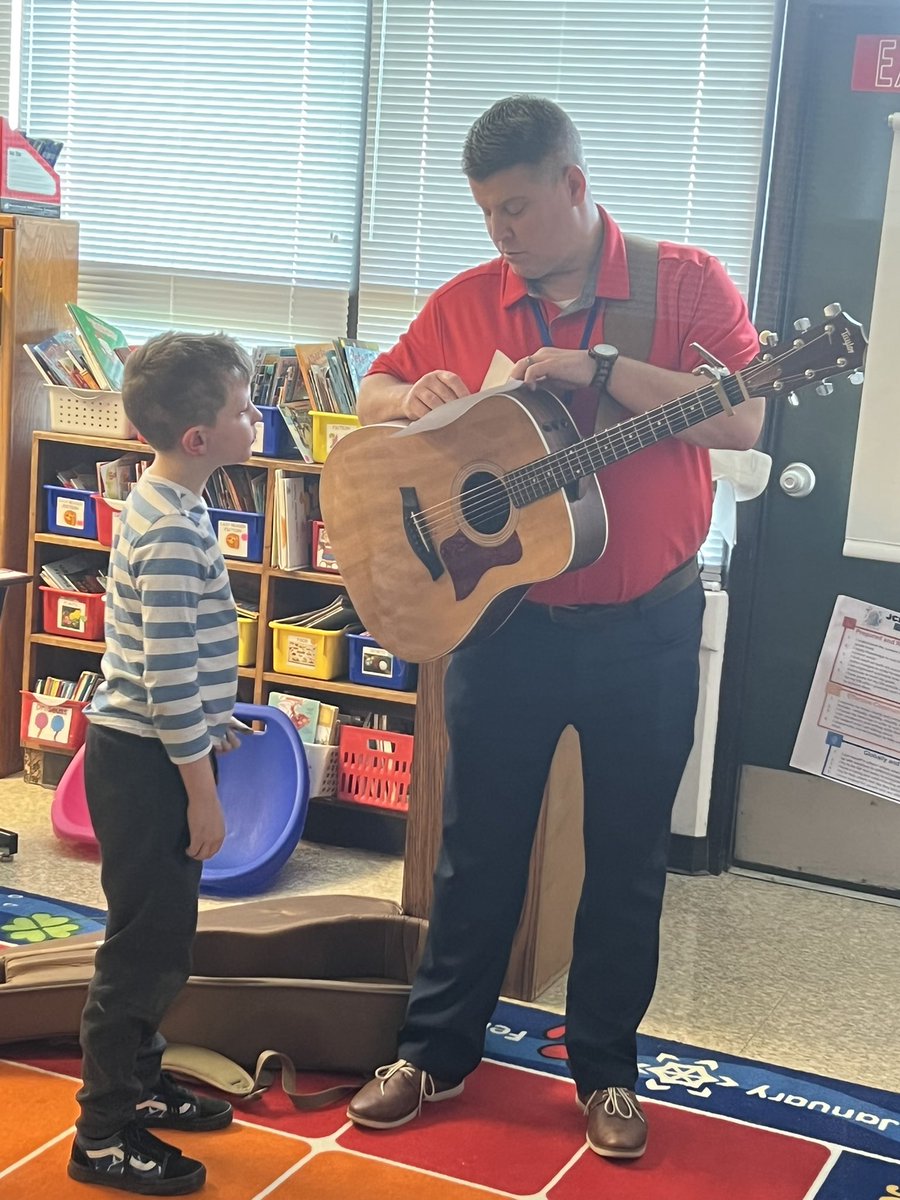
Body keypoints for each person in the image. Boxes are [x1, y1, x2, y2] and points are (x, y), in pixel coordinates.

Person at [347, 95, 764, 1159]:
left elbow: (744, 413)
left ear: (575, 188)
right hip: (506, 625)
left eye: (520, 209)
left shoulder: (685, 283)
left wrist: (607, 372)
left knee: (625, 862)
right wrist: (408, 400)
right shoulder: (472, 296)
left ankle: (606, 1074)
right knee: (475, 852)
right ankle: (436, 1052)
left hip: (648, 635)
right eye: (488, 213)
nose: (502, 234)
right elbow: (375, 386)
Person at [68, 332, 262, 1194]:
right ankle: (102, 1135)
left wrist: (215, 727)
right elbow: (171, 685)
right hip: (151, 763)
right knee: (144, 955)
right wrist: (204, 798)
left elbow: (165, 663)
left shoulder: (164, 499)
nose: (255, 420)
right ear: (199, 438)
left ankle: (140, 1086)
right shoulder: (177, 533)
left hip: (146, 747)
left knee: (155, 938)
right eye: (243, 410)